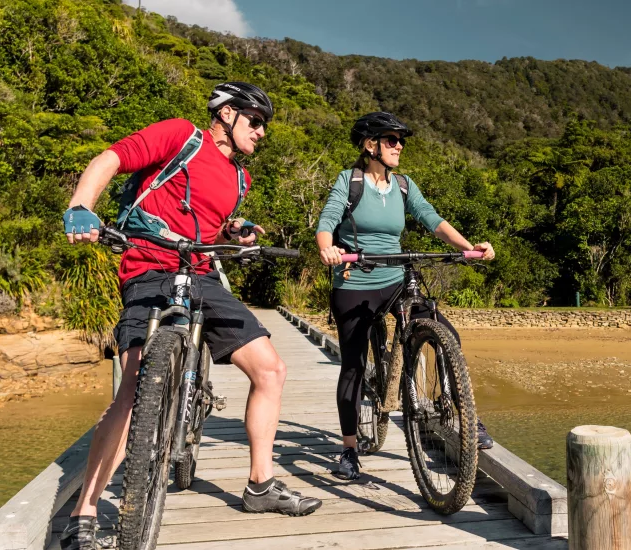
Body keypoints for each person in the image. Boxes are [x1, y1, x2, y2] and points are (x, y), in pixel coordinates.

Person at [59, 82, 320, 550]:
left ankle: (260, 485)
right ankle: (85, 512)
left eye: (265, 125)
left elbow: (207, 222)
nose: (261, 132)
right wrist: (81, 206)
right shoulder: (182, 137)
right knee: (134, 388)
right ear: (226, 115)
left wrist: (233, 230)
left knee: (271, 369)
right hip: (148, 267)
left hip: (200, 276)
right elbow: (110, 159)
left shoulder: (241, 179)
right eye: (255, 121)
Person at [315, 111, 496, 481]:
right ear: (370, 145)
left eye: (401, 140)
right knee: (352, 365)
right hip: (355, 280)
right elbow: (327, 220)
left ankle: (465, 416)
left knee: (444, 329)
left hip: (395, 275)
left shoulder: (403, 185)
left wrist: (468, 247)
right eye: (391, 139)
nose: (399, 146)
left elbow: (431, 218)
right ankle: (349, 449)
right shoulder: (349, 181)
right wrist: (327, 248)